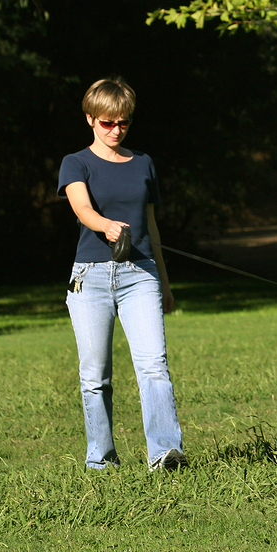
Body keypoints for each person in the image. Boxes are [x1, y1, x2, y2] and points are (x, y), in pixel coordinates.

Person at [58, 76, 186, 471]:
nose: (115, 130)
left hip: (140, 276)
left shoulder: (144, 163)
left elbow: (152, 226)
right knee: (95, 375)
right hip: (91, 278)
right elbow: (81, 208)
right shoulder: (75, 163)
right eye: (107, 122)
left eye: (123, 123)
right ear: (90, 119)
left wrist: (164, 283)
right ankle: (101, 458)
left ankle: (164, 453)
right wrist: (105, 225)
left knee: (154, 366)